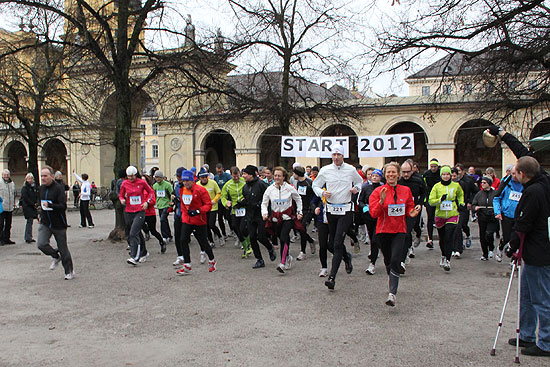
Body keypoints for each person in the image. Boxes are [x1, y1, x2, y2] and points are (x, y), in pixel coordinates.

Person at [505, 156, 550, 357]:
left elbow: (524, 222)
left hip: (538, 251)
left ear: (522, 174)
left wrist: (512, 244)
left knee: (541, 298)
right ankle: (527, 334)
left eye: (516, 173)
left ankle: (546, 341)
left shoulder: (534, 191)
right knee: (527, 296)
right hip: (533, 251)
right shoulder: (541, 183)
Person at [369, 162, 421, 306]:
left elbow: (409, 209)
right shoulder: (378, 191)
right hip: (383, 231)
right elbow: (373, 213)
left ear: (398, 174)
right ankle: (391, 276)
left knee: (396, 260)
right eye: (388, 172)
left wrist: (413, 212)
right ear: (384, 175)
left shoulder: (406, 190)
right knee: (388, 261)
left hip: (399, 230)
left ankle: (392, 294)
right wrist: (381, 201)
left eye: (393, 172)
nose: (391, 175)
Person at [312, 144, 363, 290]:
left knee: (337, 242)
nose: (336, 157)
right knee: (332, 243)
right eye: (333, 155)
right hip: (331, 209)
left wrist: (356, 189)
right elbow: (315, 185)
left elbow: (360, 182)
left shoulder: (351, 169)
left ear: (343, 156)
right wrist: (322, 193)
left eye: (338, 155)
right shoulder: (326, 170)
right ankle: (346, 257)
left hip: (346, 209)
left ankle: (332, 277)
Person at [262, 166, 303, 274]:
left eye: (279, 176)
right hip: (275, 219)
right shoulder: (270, 189)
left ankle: (283, 262)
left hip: (287, 217)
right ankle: (288, 257)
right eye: (275, 175)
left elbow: (298, 199)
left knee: (284, 237)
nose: (277, 177)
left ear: (284, 177)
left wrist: (299, 212)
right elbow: (264, 203)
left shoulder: (289, 188)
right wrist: (264, 213)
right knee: (281, 238)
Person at [175, 170, 217, 275]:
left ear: (192, 180)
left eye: (187, 181)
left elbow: (208, 205)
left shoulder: (201, 190)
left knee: (203, 242)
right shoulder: (182, 189)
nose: (185, 183)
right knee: (183, 240)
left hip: (199, 220)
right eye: (184, 181)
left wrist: (198, 211)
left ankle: (212, 260)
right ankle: (187, 265)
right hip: (187, 220)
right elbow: (183, 204)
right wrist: (184, 214)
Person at [37, 166, 74, 280]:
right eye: (41, 176)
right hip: (46, 222)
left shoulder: (58, 188)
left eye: (45, 176)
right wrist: (39, 214)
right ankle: (55, 255)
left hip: (58, 223)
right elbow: (41, 204)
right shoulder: (41, 189)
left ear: (51, 177)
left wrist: (51, 205)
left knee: (63, 248)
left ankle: (69, 271)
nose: (43, 178)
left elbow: (63, 206)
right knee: (41, 244)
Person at [428, 165, 464, 271]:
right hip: (440, 214)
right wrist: (440, 199)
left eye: (448, 174)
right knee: (442, 239)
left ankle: (448, 260)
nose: (446, 176)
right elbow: (431, 201)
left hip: (453, 213)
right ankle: (443, 255)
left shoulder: (456, 185)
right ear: (441, 175)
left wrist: (461, 203)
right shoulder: (436, 187)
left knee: (449, 236)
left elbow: (461, 195)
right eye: (444, 174)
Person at [240, 165, 276, 268]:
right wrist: (241, 203)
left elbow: (270, 198)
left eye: (245, 174)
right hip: (250, 215)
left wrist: (266, 211)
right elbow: (247, 199)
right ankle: (259, 259)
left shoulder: (261, 184)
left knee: (261, 236)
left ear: (251, 175)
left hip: (261, 215)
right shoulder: (245, 187)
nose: (243, 176)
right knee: (252, 238)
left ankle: (270, 248)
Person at [119, 166, 155, 265]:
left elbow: (151, 192)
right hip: (129, 211)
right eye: (129, 176)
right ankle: (144, 252)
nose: (130, 178)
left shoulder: (142, 182)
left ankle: (134, 256)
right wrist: (122, 199)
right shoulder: (124, 183)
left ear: (136, 175)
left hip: (140, 210)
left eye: (132, 176)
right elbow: (121, 194)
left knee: (133, 233)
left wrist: (147, 202)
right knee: (137, 233)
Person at [493, 165, 523, 262]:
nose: (514, 176)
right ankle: (501, 248)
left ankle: (514, 260)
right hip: (506, 214)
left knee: (517, 238)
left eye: (516, 173)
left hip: (519, 216)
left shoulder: (524, 184)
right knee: (507, 237)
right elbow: (496, 198)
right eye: (512, 173)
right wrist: (497, 212)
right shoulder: (505, 183)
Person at [398, 161, 426, 262]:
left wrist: (420, 203)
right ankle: (406, 253)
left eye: (408, 172)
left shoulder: (418, 180)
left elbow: (424, 192)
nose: (405, 174)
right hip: (401, 210)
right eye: (403, 172)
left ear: (412, 170)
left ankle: (418, 234)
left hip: (414, 209)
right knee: (405, 232)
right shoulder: (398, 182)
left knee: (415, 227)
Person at [358, 168, 383, 275]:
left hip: (380, 217)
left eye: (377, 176)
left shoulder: (383, 188)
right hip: (369, 217)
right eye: (373, 176)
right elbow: (360, 201)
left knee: (376, 239)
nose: (374, 177)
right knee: (373, 239)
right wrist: (364, 208)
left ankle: (373, 263)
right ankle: (373, 259)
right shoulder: (366, 187)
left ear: (380, 177)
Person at [221, 167, 250, 252]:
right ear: (231, 175)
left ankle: (248, 243)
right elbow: (223, 196)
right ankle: (243, 242)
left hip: (245, 208)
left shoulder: (244, 182)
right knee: (235, 226)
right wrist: (226, 202)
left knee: (243, 228)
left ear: (239, 174)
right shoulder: (228, 184)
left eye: (237, 175)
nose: (236, 178)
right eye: (234, 176)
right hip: (235, 210)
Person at [452, 163, 478, 255]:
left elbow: (475, 192)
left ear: (462, 171)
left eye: (458, 171)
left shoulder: (467, 181)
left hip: (464, 206)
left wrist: (470, 202)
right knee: (456, 227)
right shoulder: (451, 183)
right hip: (454, 208)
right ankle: (457, 246)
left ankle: (467, 235)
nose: (456, 174)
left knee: (463, 225)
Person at [471, 176, 498, 261]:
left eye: (484, 183)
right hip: (482, 217)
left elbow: (499, 202)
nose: (482, 184)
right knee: (482, 236)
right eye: (481, 183)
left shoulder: (495, 193)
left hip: (492, 217)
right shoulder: (479, 194)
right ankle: (484, 253)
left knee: (489, 234)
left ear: (489, 184)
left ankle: (491, 248)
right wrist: (475, 208)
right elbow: (474, 204)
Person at [197, 168, 224, 251]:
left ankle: (220, 236)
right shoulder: (197, 185)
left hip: (213, 207)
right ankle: (211, 241)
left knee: (211, 224)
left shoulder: (213, 183)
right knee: (206, 226)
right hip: (203, 208)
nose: (204, 179)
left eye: (206, 177)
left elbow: (218, 193)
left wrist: (214, 200)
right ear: (199, 178)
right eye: (202, 177)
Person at [293, 166, 316, 260]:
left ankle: (303, 252)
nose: (293, 175)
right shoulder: (298, 182)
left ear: (297, 173)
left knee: (302, 228)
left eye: (294, 173)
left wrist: (313, 207)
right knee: (299, 229)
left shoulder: (309, 182)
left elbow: (315, 195)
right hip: (300, 209)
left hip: (309, 210)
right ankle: (310, 240)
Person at [141, 175, 165, 253]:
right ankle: (139, 249)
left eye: (144, 180)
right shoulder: (138, 190)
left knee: (153, 231)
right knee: (139, 227)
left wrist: (147, 203)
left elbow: (153, 200)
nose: (142, 182)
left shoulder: (150, 189)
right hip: (141, 213)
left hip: (150, 213)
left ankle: (161, 242)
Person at [423, 159, 441, 249]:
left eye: (435, 167)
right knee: (430, 218)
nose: (433, 168)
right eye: (432, 167)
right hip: (430, 199)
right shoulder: (426, 174)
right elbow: (423, 187)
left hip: (439, 199)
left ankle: (441, 238)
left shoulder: (441, 173)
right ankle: (430, 239)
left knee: (439, 218)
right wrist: (425, 200)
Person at [153, 170, 174, 243]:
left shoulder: (167, 185)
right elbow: (154, 195)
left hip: (167, 204)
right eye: (156, 177)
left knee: (162, 219)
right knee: (164, 220)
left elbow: (172, 194)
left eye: (159, 177)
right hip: (159, 205)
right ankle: (169, 235)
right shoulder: (155, 186)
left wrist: (171, 203)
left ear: (162, 177)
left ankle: (164, 236)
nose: (158, 179)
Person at [214, 163, 233, 238]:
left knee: (228, 217)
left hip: (226, 199)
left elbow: (230, 186)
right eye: (218, 172)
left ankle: (232, 229)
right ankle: (223, 233)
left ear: (223, 169)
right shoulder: (216, 177)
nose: (219, 173)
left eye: (220, 171)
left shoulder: (227, 176)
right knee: (219, 218)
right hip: (219, 201)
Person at [20, 173, 39, 243]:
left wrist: (36, 203)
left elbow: (35, 195)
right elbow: (25, 198)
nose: (31, 180)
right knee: (29, 221)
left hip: (32, 206)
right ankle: (28, 237)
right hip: (28, 206)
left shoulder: (32, 187)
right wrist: (32, 204)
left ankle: (29, 236)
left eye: (32, 178)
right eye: (29, 178)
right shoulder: (25, 188)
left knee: (30, 222)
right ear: (26, 179)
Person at [0, 169, 16, 245]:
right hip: (2, 207)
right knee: (1, 224)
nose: (6, 176)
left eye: (7, 175)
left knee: (8, 224)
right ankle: (1, 239)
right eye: (5, 175)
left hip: (10, 207)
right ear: (2, 175)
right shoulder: (0, 183)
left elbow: (13, 194)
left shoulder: (12, 183)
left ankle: (7, 238)